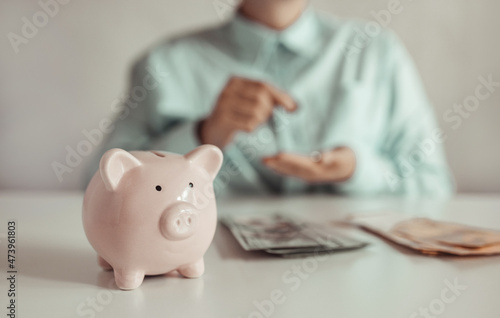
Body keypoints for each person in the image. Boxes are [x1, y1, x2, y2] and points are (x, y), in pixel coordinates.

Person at [85, 0, 454, 197]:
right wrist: (203, 135)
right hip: (202, 283)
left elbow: (434, 187)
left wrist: (358, 171)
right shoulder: (164, 65)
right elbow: (98, 188)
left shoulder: (378, 53)